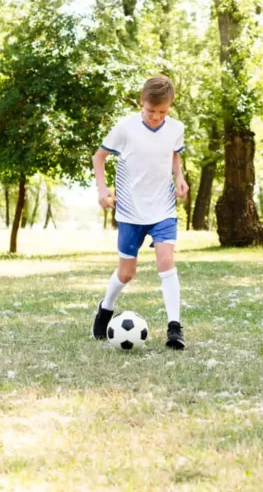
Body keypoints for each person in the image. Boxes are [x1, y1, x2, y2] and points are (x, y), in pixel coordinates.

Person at [91, 75, 189, 349]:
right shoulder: (125, 128)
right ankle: (106, 307)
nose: (157, 116)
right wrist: (102, 189)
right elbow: (99, 157)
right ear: (141, 103)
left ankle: (174, 328)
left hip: (163, 207)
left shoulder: (175, 128)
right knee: (127, 273)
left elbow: (174, 154)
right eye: (151, 111)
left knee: (166, 261)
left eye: (163, 112)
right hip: (130, 210)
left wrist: (179, 177)